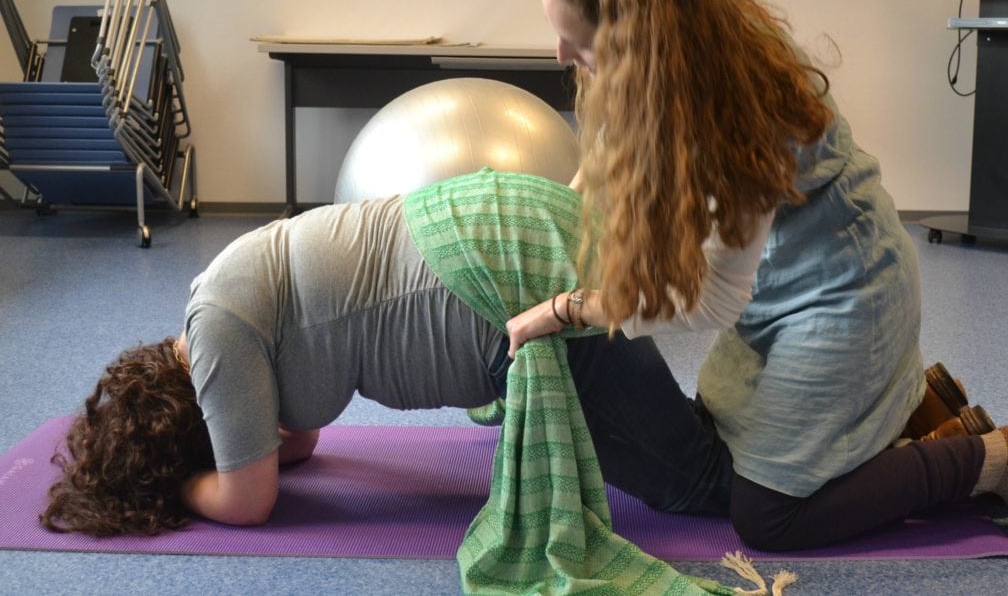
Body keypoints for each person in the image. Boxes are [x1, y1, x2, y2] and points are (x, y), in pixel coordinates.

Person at [506, 0, 1008, 551]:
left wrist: (570, 308)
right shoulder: (682, 45)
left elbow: (711, 301)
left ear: (636, 37)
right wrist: (553, 218)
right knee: (721, 436)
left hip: (846, 299)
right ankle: (915, 414)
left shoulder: (732, 112)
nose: (561, 54)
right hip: (784, 283)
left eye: (577, 41)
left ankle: (997, 457)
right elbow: (610, 152)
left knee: (769, 517)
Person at [40, 177, 731, 538]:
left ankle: (797, 457)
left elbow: (248, 501)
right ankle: (753, 401)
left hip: (509, 290)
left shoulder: (219, 337)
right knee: (677, 435)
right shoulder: (217, 293)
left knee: (697, 484)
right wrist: (240, 447)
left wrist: (177, 487)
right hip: (499, 224)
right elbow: (300, 443)